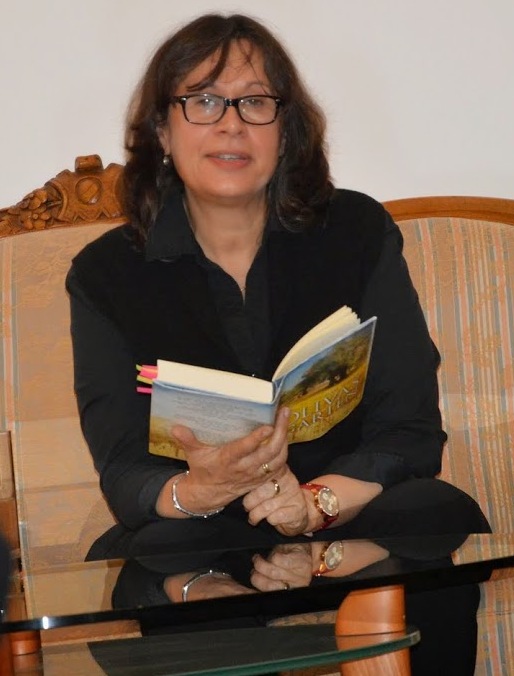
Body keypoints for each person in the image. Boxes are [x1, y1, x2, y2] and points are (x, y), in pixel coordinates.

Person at [67, 13, 490, 674]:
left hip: (346, 518)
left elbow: (410, 429)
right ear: (162, 131)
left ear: (285, 129)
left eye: (255, 102)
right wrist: (198, 489)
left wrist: (313, 506)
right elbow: (122, 467)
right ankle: (208, 596)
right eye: (203, 101)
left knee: (435, 512)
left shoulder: (355, 231)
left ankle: (335, 573)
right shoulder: (106, 274)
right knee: (138, 558)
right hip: (199, 531)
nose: (231, 124)